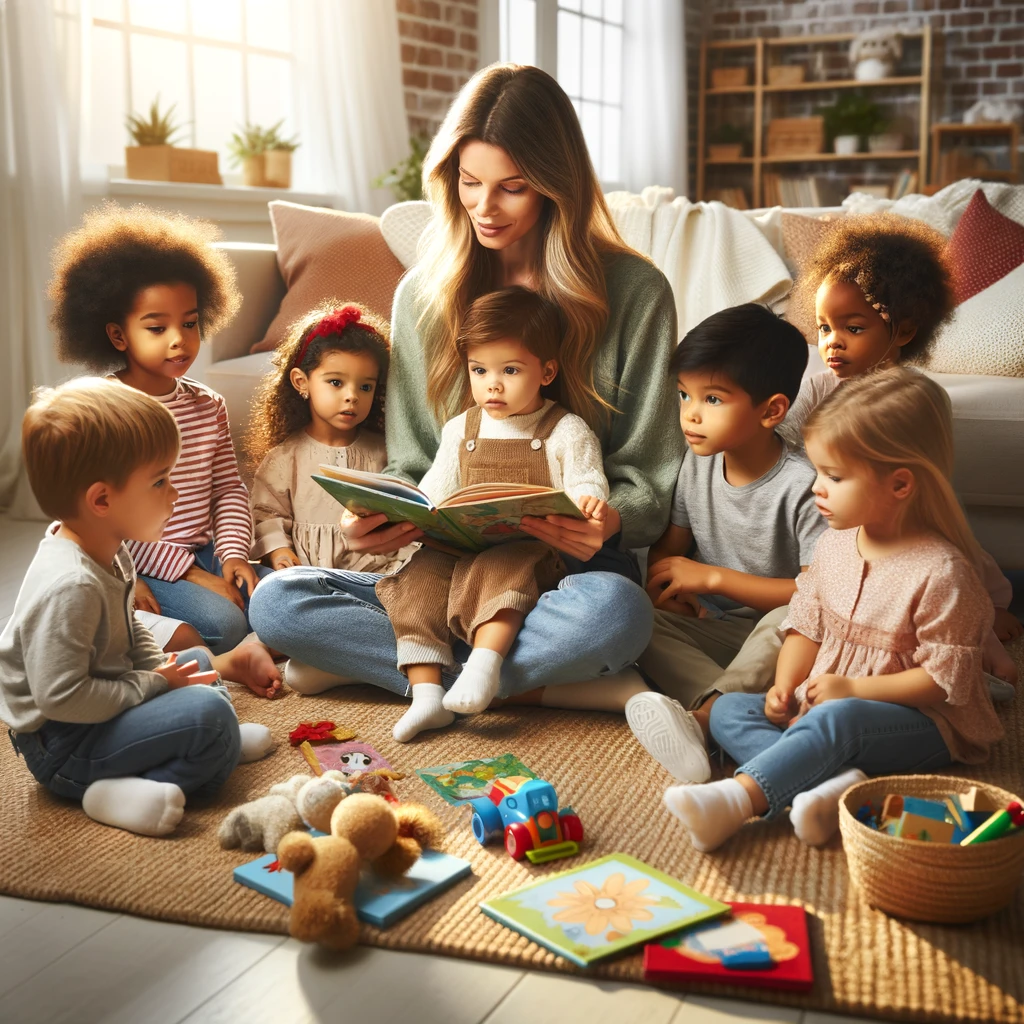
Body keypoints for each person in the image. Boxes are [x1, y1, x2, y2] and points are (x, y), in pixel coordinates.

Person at [249, 64, 680, 707]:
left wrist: (608, 518)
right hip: (440, 563)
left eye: (512, 187)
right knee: (279, 601)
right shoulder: (422, 295)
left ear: (557, 187)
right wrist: (377, 515)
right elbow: (415, 463)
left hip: (570, 571)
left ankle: (403, 668)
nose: (484, 207)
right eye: (469, 182)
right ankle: (551, 687)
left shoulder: (635, 293)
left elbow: (649, 473)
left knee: (619, 614)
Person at [661, 368, 1005, 853]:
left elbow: (942, 681)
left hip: (927, 722)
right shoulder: (835, 548)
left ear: (900, 484)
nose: (816, 487)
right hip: (823, 704)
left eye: (835, 476)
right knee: (731, 710)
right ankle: (829, 786)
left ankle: (739, 801)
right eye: (818, 471)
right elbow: (804, 625)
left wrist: (853, 689)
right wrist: (784, 685)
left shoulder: (943, 572)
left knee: (839, 719)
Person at [0, 380, 275, 838]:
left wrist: (163, 673)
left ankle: (211, 737)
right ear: (102, 500)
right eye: (160, 481)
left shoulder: (110, 548)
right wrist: (153, 685)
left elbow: (131, 633)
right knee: (208, 714)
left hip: (103, 698)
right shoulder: (70, 584)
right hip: (64, 743)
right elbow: (60, 698)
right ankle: (103, 791)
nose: (175, 494)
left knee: (197, 669)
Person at [376, 288, 609, 740]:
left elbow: (586, 480)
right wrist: (402, 513)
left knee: (507, 566)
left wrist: (587, 502)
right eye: (479, 370)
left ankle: (484, 665)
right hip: (456, 550)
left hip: (527, 552)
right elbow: (434, 493)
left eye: (510, 370)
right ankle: (426, 695)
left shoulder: (564, 428)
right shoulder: (460, 428)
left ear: (546, 372)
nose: (492, 384)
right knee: (416, 583)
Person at [780, 213, 1021, 647]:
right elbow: (782, 437)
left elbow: (931, 484)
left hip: (903, 511)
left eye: (853, 328)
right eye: (823, 328)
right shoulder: (818, 387)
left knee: (946, 544)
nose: (832, 341)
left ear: (904, 330)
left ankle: (994, 603)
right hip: (841, 510)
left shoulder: (915, 396)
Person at [48, 203, 269, 655]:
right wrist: (192, 575)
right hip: (135, 561)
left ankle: (262, 630)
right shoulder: (103, 411)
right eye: (157, 326)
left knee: (279, 596)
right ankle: (132, 609)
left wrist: (231, 555)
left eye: (189, 323)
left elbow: (228, 488)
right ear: (117, 335)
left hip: (205, 550)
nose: (179, 339)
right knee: (227, 625)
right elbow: (107, 519)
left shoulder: (208, 406)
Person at [625, 305, 826, 783]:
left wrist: (714, 578)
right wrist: (669, 593)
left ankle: (706, 717)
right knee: (633, 616)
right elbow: (669, 550)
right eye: (683, 395)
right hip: (716, 631)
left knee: (791, 619)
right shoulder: (697, 463)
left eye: (712, 399)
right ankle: (728, 702)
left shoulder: (803, 484)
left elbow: (819, 592)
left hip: (788, 638)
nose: (690, 414)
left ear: (771, 410)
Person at [246, 302, 416, 576]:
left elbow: (406, 518)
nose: (352, 396)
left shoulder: (387, 453)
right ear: (302, 382)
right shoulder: (285, 458)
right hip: (307, 573)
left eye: (365, 386)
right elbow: (268, 514)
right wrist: (280, 551)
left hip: (378, 574)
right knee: (273, 592)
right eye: (336, 382)